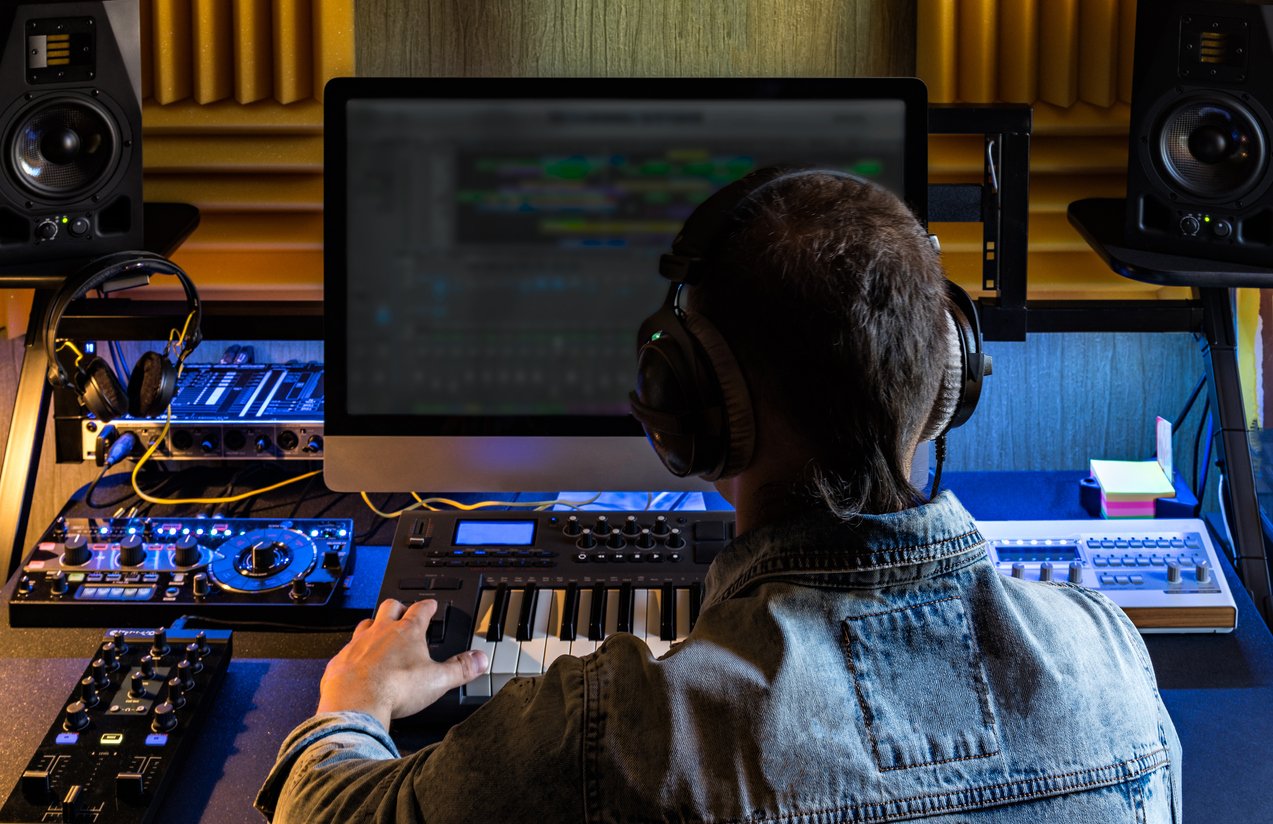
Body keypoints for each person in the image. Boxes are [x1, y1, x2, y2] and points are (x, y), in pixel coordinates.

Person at [256, 168, 1181, 823]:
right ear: (947, 380)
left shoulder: (619, 734)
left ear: (689, 407)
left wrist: (351, 706)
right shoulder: (1110, 662)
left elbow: (329, 813)